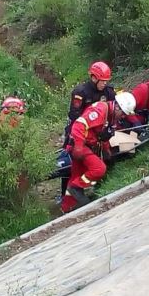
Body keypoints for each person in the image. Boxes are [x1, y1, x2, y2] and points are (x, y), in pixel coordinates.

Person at [61, 92, 136, 213]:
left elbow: (102, 135)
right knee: (99, 169)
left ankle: (66, 210)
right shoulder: (100, 110)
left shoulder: (111, 116)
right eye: (123, 113)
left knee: (75, 177)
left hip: (87, 145)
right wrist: (79, 146)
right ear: (117, 107)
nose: (123, 117)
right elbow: (79, 125)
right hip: (80, 145)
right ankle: (77, 188)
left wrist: (106, 150)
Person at [60, 61, 116, 197]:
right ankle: (64, 194)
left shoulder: (108, 92)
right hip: (78, 130)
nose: (104, 84)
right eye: (102, 81)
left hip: (97, 131)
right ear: (93, 77)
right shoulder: (81, 92)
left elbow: (112, 111)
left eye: (106, 81)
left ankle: (95, 188)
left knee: (100, 160)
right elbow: (74, 115)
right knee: (70, 164)